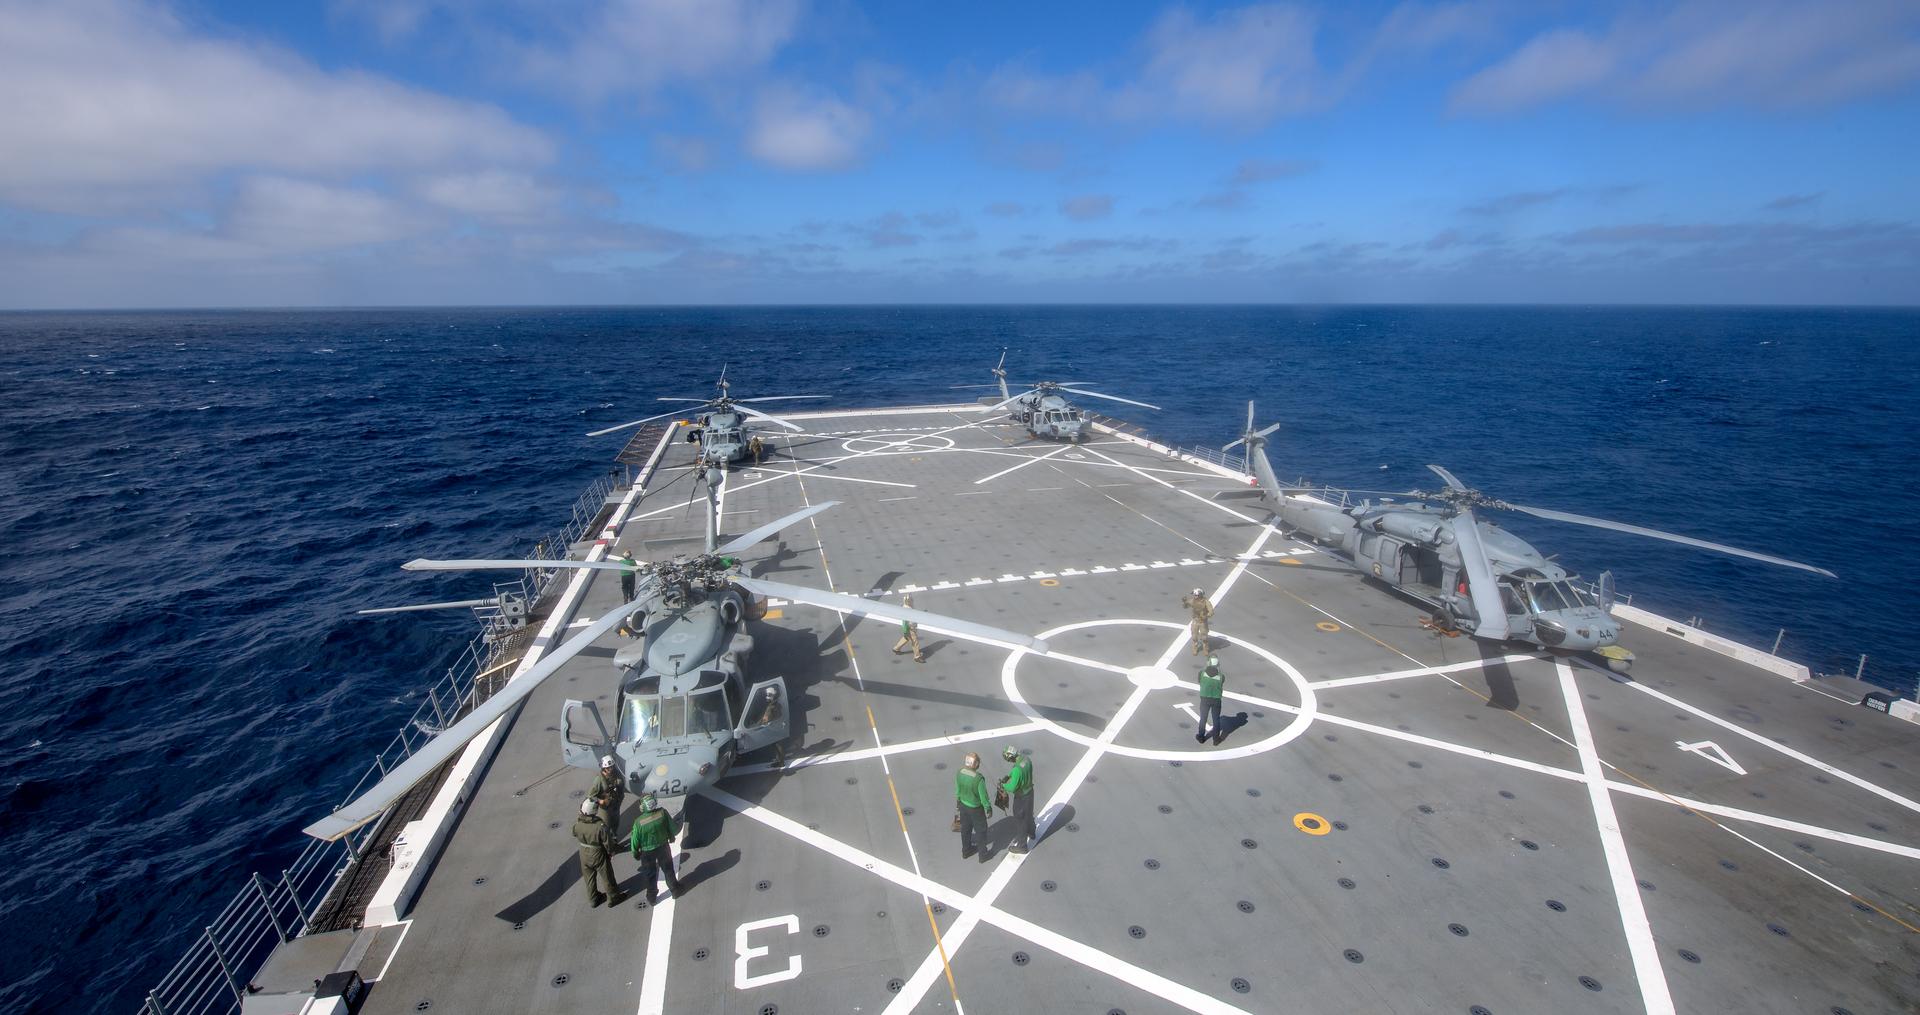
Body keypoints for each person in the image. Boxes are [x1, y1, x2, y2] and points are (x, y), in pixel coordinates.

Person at [572, 797, 627, 908]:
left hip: (583, 852)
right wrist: (611, 852)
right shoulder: (599, 826)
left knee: (589, 878)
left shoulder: (578, 823)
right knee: (607, 876)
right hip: (597, 853)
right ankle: (613, 897)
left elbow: (574, 833)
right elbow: (608, 842)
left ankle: (593, 899)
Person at [629, 793, 683, 903]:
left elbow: (634, 842)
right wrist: (671, 836)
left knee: (650, 874)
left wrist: (635, 854)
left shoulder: (638, 822)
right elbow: (674, 829)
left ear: (643, 806)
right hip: (663, 847)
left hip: (647, 853)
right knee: (668, 870)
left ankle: (652, 897)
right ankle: (675, 890)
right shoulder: (662, 813)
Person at [998, 745, 1036, 853]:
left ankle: (1022, 846)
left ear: (1010, 757)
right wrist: (1010, 776)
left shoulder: (1016, 770)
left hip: (1021, 798)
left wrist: (1004, 785)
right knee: (1029, 814)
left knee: (1020, 821)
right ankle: (1032, 832)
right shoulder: (1026, 760)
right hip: (1030, 792)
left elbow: (1012, 787)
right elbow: (1019, 773)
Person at [955, 752, 992, 861]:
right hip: (975, 809)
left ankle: (966, 851)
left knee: (965, 829)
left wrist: (958, 802)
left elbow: (957, 790)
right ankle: (983, 855)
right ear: (975, 764)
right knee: (981, 831)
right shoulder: (978, 779)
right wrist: (988, 808)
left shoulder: (959, 773)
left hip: (963, 805)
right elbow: (983, 796)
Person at [589, 755, 625, 834]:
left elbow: (621, 788)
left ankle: (614, 837)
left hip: (615, 803)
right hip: (605, 807)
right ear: (604, 768)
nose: (611, 769)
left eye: (612, 767)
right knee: (606, 825)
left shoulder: (617, 774)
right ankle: (607, 842)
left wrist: (620, 799)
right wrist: (600, 801)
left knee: (616, 822)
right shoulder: (599, 780)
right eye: (608, 768)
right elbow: (591, 796)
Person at [1196, 655, 1226, 744]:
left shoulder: (1201, 673)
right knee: (1216, 719)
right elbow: (1221, 683)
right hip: (1216, 700)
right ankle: (1216, 739)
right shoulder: (1221, 676)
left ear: (1208, 663)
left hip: (1205, 698)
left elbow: (1199, 681)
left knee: (1203, 718)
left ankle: (1201, 737)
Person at [1180, 588, 1213, 656]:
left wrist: (1206, 616)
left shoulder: (1206, 602)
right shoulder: (1192, 601)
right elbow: (1185, 606)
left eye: (1197, 595)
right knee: (1194, 636)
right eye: (1194, 595)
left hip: (1202, 622)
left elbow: (1211, 612)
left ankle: (1205, 649)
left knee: (1204, 637)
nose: (1195, 596)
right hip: (1195, 621)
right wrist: (1184, 602)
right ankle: (1195, 648)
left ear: (1200, 595)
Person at [892, 593, 924, 662]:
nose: (912, 600)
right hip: (910, 628)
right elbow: (905, 622)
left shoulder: (907, 606)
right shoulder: (908, 609)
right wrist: (906, 630)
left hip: (910, 627)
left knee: (906, 638)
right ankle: (917, 657)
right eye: (911, 600)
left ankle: (896, 648)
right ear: (908, 601)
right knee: (915, 642)